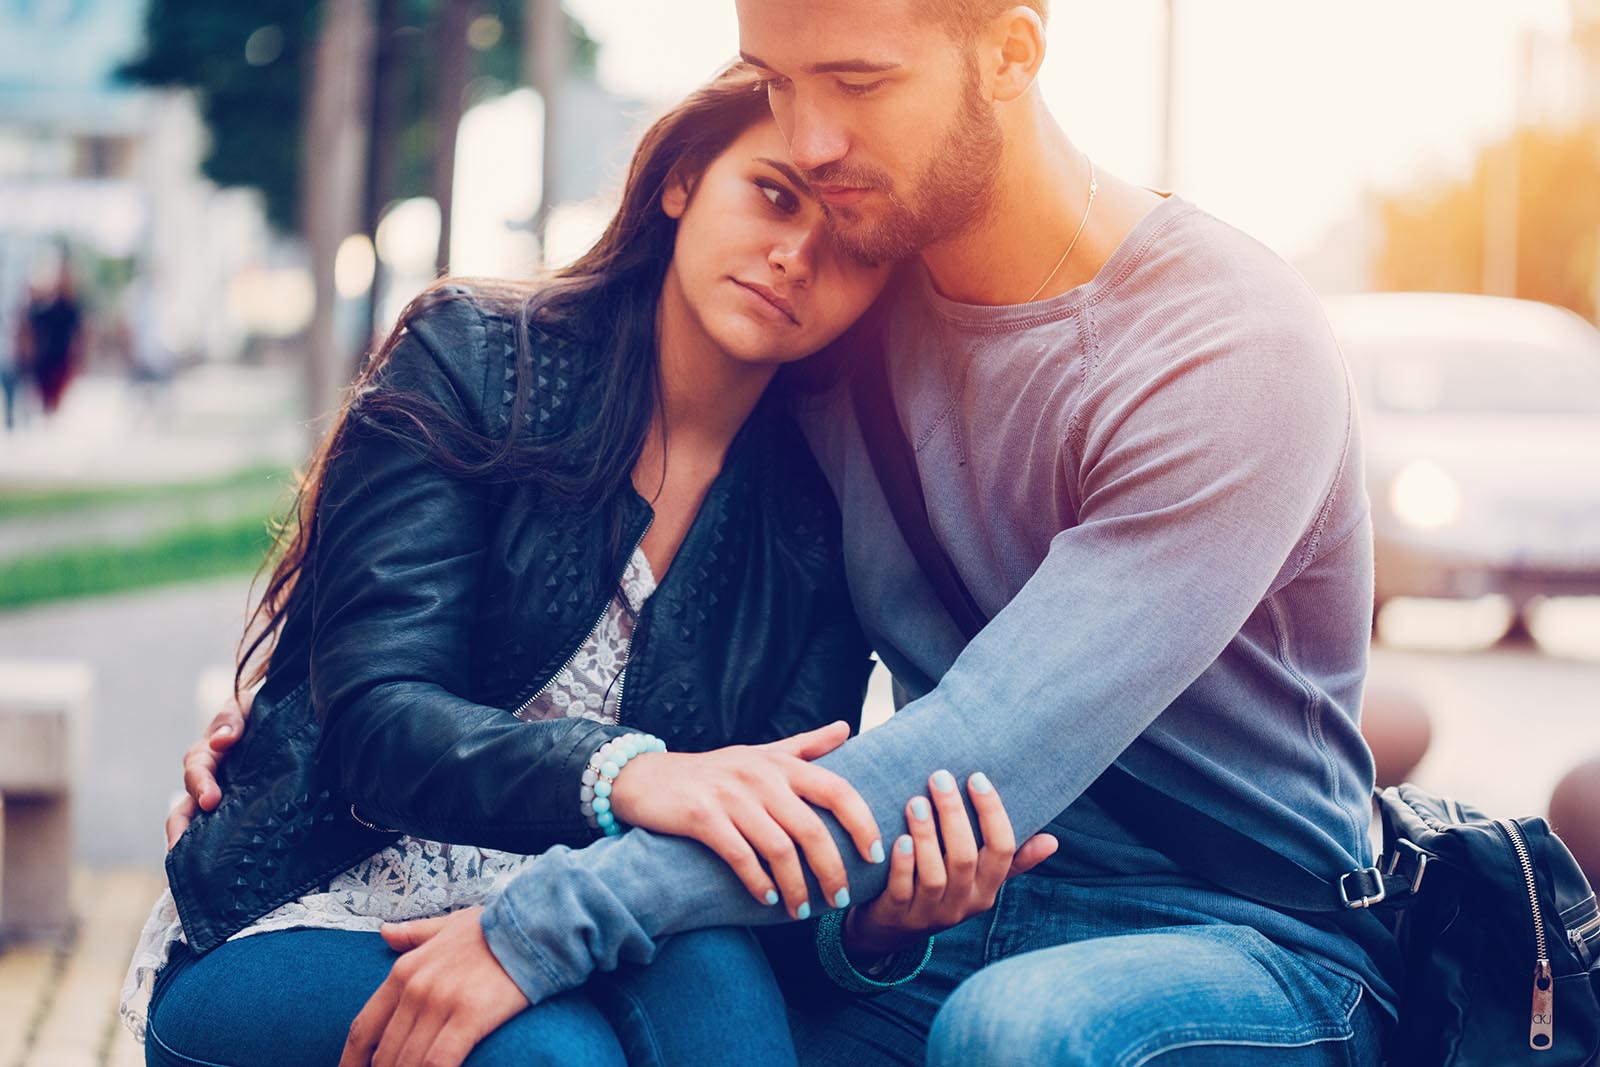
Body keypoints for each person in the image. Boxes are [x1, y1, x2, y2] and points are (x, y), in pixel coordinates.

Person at [184, 3, 1395, 1065]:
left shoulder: (1225, 346)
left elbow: (970, 740)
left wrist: (543, 921)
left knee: (1014, 1032)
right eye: (774, 82)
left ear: (1010, 54)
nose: (812, 142)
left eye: (857, 83)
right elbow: (735, 754)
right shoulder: (843, 338)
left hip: (1240, 927)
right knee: (690, 1009)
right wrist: (300, 718)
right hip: (949, 915)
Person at [134, 65, 1053, 1067]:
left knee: (719, 986)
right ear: (683, 180)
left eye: (849, 243)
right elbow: (377, 722)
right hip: (316, 905)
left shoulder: (816, 514)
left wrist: (881, 927)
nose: (794, 255)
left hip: (599, 928)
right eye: (774, 195)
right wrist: (632, 776)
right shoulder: (477, 358)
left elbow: (758, 870)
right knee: (558, 1055)